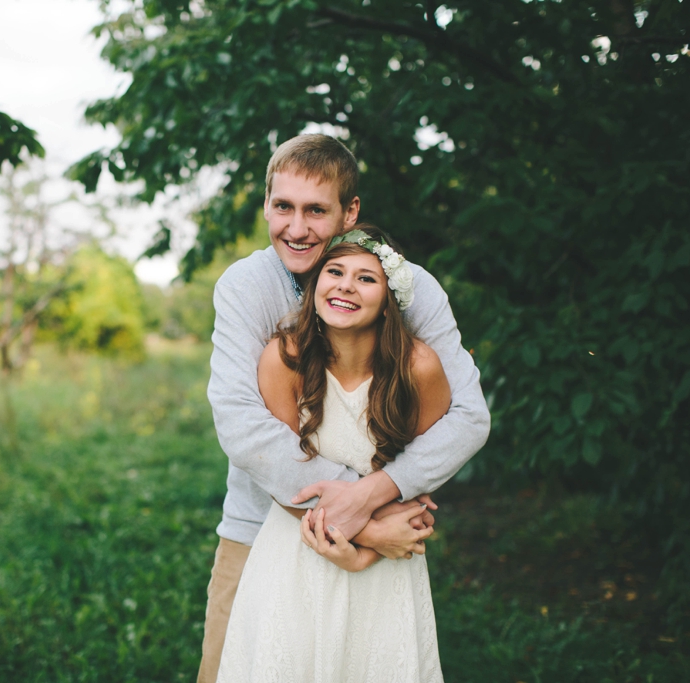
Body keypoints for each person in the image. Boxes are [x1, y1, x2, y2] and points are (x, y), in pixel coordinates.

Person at [199, 134, 490, 682]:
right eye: (282, 206)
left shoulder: (409, 288)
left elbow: (468, 418)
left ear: (349, 211)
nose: (296, 227)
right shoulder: (246, 287)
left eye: (316, 210)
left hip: (382, 552)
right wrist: (365, 525)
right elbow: (243, 428)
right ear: (266, 204)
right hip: (261, 529)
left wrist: (375, 498)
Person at [217, 225, 450, 681]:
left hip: (387, 570)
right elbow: (283, 478)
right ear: (316, 284)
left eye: (366, 278)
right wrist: (368, 540)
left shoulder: (418, 367)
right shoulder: (284, 358)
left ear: (389, 299)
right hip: (294, 551)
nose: (346, 285)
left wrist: (373, 555)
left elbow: (423, 481)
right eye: (335, 271)